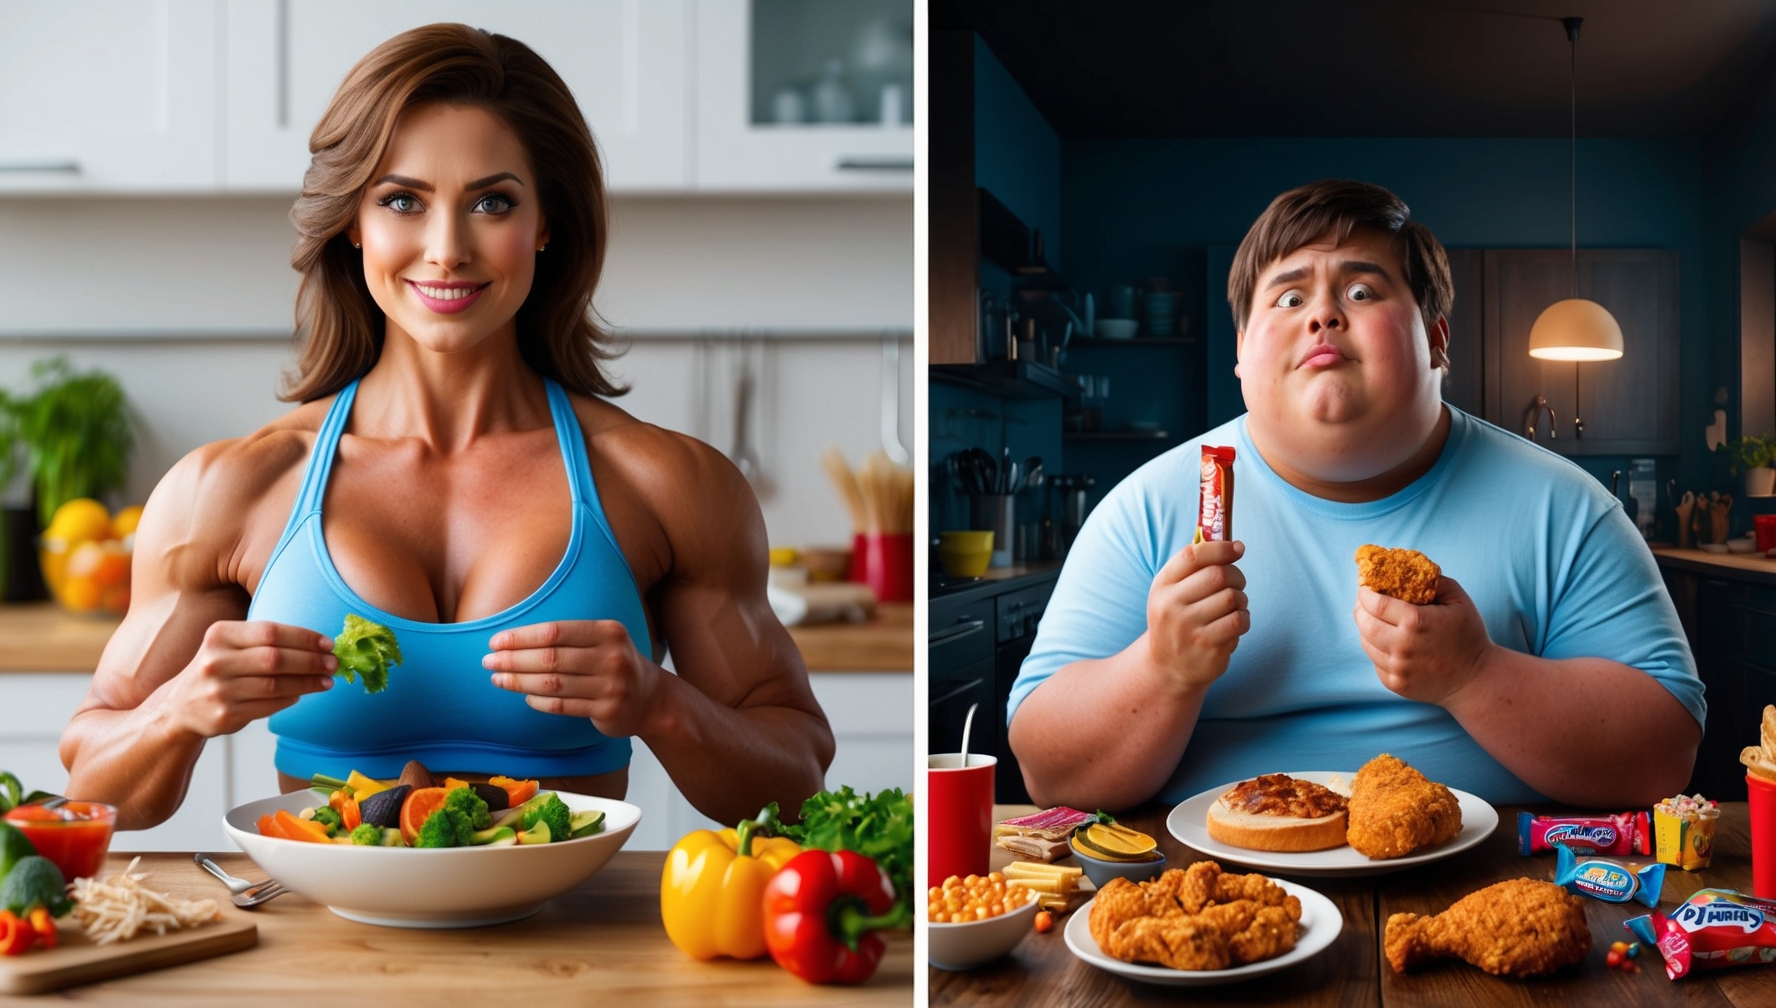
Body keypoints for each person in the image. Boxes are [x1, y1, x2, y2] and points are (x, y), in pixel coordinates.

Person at [60, 24, 833, 830]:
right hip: (324, 950)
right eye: (403, 200)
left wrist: (658, 702)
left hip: (574, 949)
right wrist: (181, 708)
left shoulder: (667, 486)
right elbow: (95, 788)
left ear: (544, 222)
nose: (447, 249)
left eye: (492, 202)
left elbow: (799, 778)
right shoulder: (227, 492)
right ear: (353, 221)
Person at [1007, 179, 1703, 812]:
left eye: (1363, 291)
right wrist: (1159, 671)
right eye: (1288, 296)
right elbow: (1048, 772)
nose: (1323, 317)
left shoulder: (1568, 510)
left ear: (1435, 341)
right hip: (1207, 894)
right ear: (1243, 351)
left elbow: (1664, 755)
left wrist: (1476, 675)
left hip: (1493, 877)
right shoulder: (1144, 511)